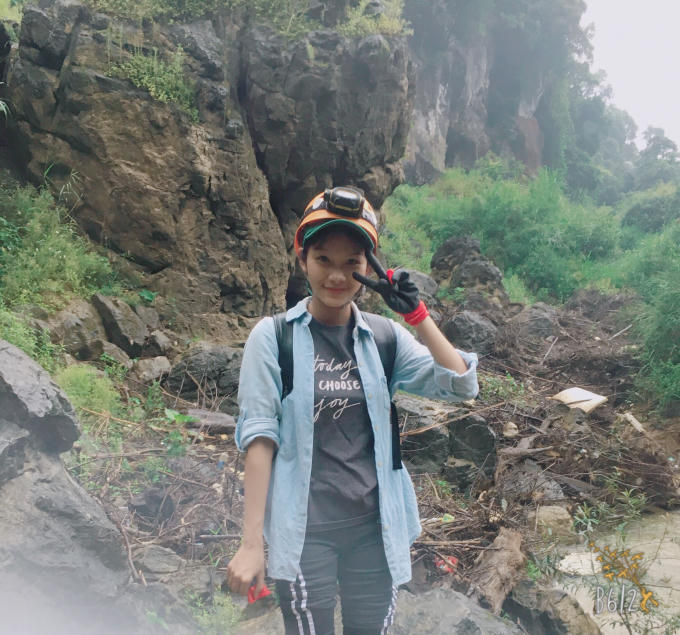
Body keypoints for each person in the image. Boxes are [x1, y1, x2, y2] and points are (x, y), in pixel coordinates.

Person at [227, 186, 478, 634]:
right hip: (305, 534)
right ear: (302, 259)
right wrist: (251, 545)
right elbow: (260, 438)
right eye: (324, 259)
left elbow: (461, 384)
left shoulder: (383, 338)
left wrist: (417, 316)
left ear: (370, 267)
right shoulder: (274, 337)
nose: (337, 275)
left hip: (375, 531)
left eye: (352, 263)